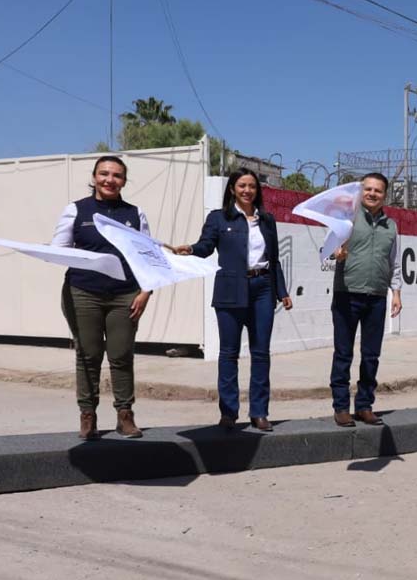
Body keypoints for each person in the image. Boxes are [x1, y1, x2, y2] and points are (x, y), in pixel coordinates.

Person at [174, 169, 292, 431]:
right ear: (232, 189)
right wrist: (191, 249)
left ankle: (259, 412)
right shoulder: (218, 218)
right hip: (230, 289)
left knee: (261, 354)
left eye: (252, 186)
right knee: (229, 353)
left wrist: (281, 292)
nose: (247, 190)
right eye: (242, 185)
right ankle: (229, 413)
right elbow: (206, 246)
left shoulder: (267, 220)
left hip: (263, 288)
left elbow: (274, 260)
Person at [51, 155, 152, 440]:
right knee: (88, 355)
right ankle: (88, 416)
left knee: (121, 355)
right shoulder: (76, 210)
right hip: (83, 293)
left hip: (126, 294)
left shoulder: (135, 214)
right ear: (94, 176)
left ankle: (125, 415)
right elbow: (60, 250)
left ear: (124, 180)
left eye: (117, 175)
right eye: (104, 174)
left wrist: (146, 292)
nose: (110, 180)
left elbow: (147, 257)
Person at [330, 173, 402, 427]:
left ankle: (364, 405)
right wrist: (336, 254)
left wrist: (396, 292)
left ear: (385, 195)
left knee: (371, 355)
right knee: (343, 354)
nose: (372, 194)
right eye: (368, 189)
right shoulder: (346, 218)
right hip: (346, 294)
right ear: (361, 193)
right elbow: (327, 250)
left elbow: (394, 262)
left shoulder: (391, 226)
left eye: (378, 191)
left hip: (376, 297)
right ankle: (341, 407)